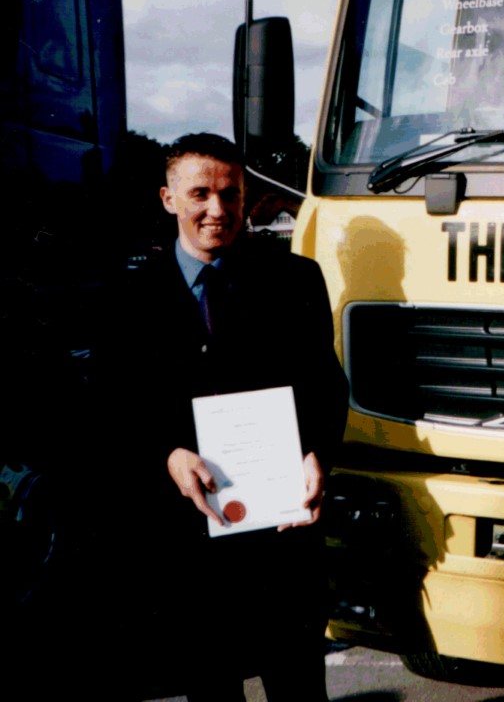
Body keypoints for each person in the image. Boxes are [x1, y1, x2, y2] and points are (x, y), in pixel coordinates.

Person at [94, 133, 348, 700]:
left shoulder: (295, 280)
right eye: (200, 194)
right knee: (211, 691)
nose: (217, 209)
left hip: (281, 536)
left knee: (299, 690)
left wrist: (316, 454)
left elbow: (326, 386)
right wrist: (166, 454)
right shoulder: (127, 297)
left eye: (230, 194)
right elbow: (111, 407)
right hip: (187, 544)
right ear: (168, 199)